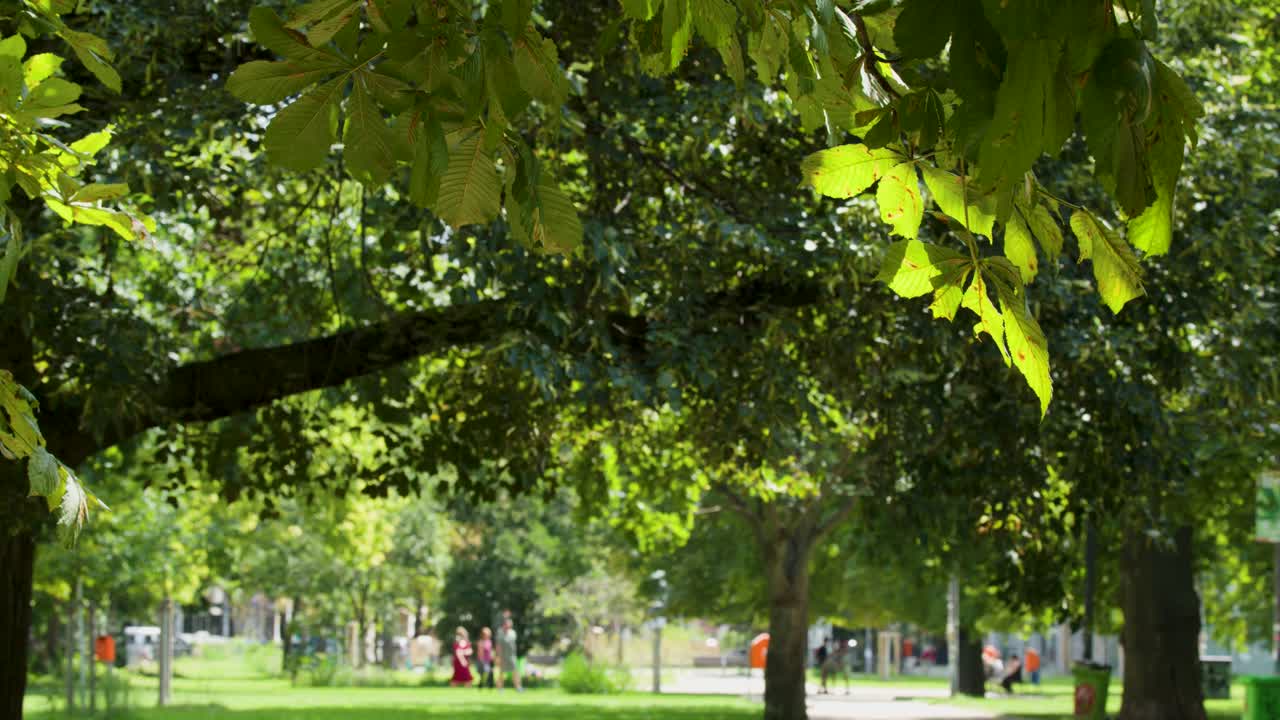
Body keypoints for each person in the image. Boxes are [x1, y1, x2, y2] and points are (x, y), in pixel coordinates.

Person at [495, 612, 522, 691]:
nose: (509, 625)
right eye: (508, 623)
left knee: (515, 672)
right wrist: (498, 657)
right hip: (503, 656)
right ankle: (500, 688)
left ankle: (518, 687)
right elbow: (498, 646)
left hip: (512, 656)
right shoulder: (500, 633)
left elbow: (514, 645)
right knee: (501, 672)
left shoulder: (513, 633)